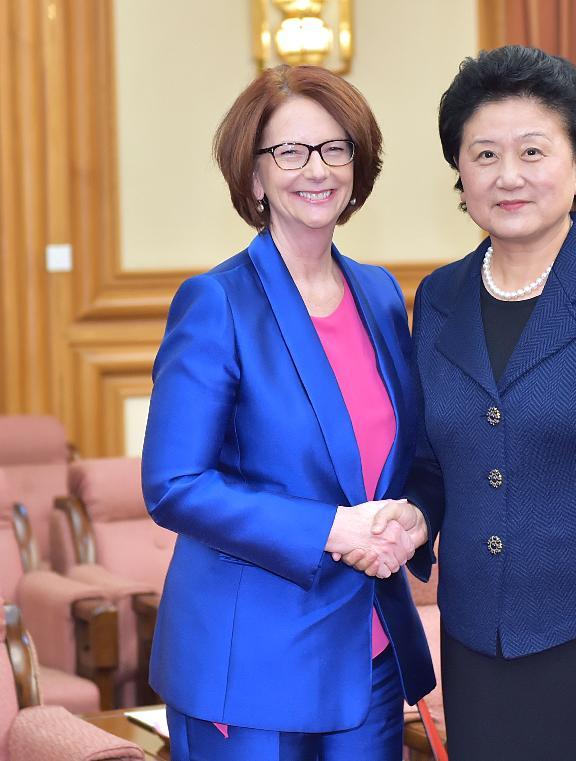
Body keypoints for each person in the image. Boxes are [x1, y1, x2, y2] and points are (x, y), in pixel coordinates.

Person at [361, 45, 576, 760]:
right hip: (477, 648)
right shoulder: (439, 297)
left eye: (532, 150)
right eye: (484, 154)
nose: (508, 175)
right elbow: (433, 458)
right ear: (459, 170)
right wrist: (415, 513)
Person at [141, 64, 434, 761]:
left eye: (337, 149)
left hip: (368, 654)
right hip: (250, 664)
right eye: (290, 152)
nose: (318, 169)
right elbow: (174, 483)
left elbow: (416, 456)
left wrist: (416, 514)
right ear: (253, 176)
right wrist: (331, 528)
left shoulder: (381, 294)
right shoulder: (217, 302)